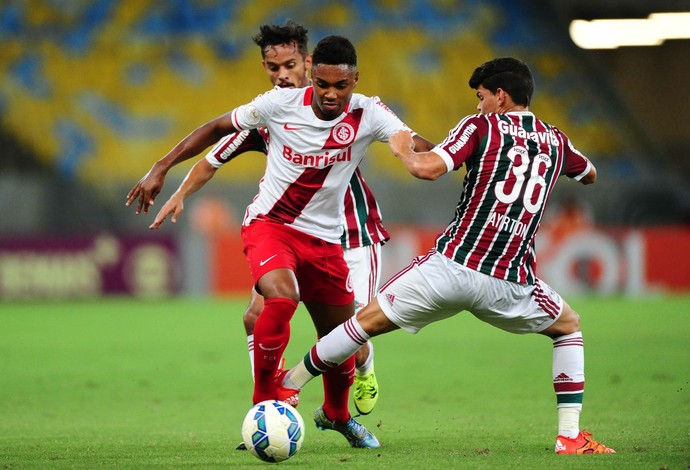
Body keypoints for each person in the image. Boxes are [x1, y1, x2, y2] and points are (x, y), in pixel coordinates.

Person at [278, 57, 615, 455]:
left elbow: (427, 169)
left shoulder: (480, 126)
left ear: (501, 97)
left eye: (481, 97)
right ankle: (570, 437)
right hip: (510, 282)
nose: (478, 105)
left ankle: (289, 385)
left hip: (452, 267)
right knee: (569, 327)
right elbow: (589, 173)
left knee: (362, 325)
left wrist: (402, 149)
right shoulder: (555, 139)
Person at [133, 34, 434, 449]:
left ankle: (338, 415)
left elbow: (414, 144)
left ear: (355, 81)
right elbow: (216, 129)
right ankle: (264, 404)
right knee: (279, 297)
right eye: (323, 84)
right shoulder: (275, 106)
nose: (330, 94)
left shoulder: (371, 112)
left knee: (344, 339)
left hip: (327, 240)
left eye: (340, 86)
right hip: (271, 225)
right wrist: (162, 167)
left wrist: (446, 157)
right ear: (312, 74)